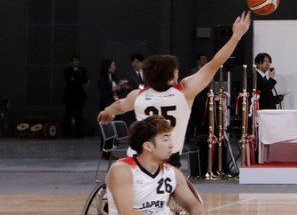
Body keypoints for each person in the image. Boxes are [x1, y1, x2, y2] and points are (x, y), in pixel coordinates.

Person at [97, 12, 252, 168]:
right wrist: (236, 36)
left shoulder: (138, 95)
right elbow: (214, 63)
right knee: (175, 191)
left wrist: (108, 111)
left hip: (138, 159)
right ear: (171, 78)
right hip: (168, 157)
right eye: (176, 70)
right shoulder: (184, 92)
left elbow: (118, 106)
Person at [63, 56, 88, 138]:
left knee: (79, 115)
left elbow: (84, 80)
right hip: (69, 96)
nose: (76, 62)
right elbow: (68, 80)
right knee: (68, 115)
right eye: (75, 61)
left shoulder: (83, 70)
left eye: (78, 61)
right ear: (71, 62)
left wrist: (74, 79)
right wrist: (77, 78)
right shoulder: (67, 70)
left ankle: (78, 133)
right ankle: (67, 133)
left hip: (79, 96)